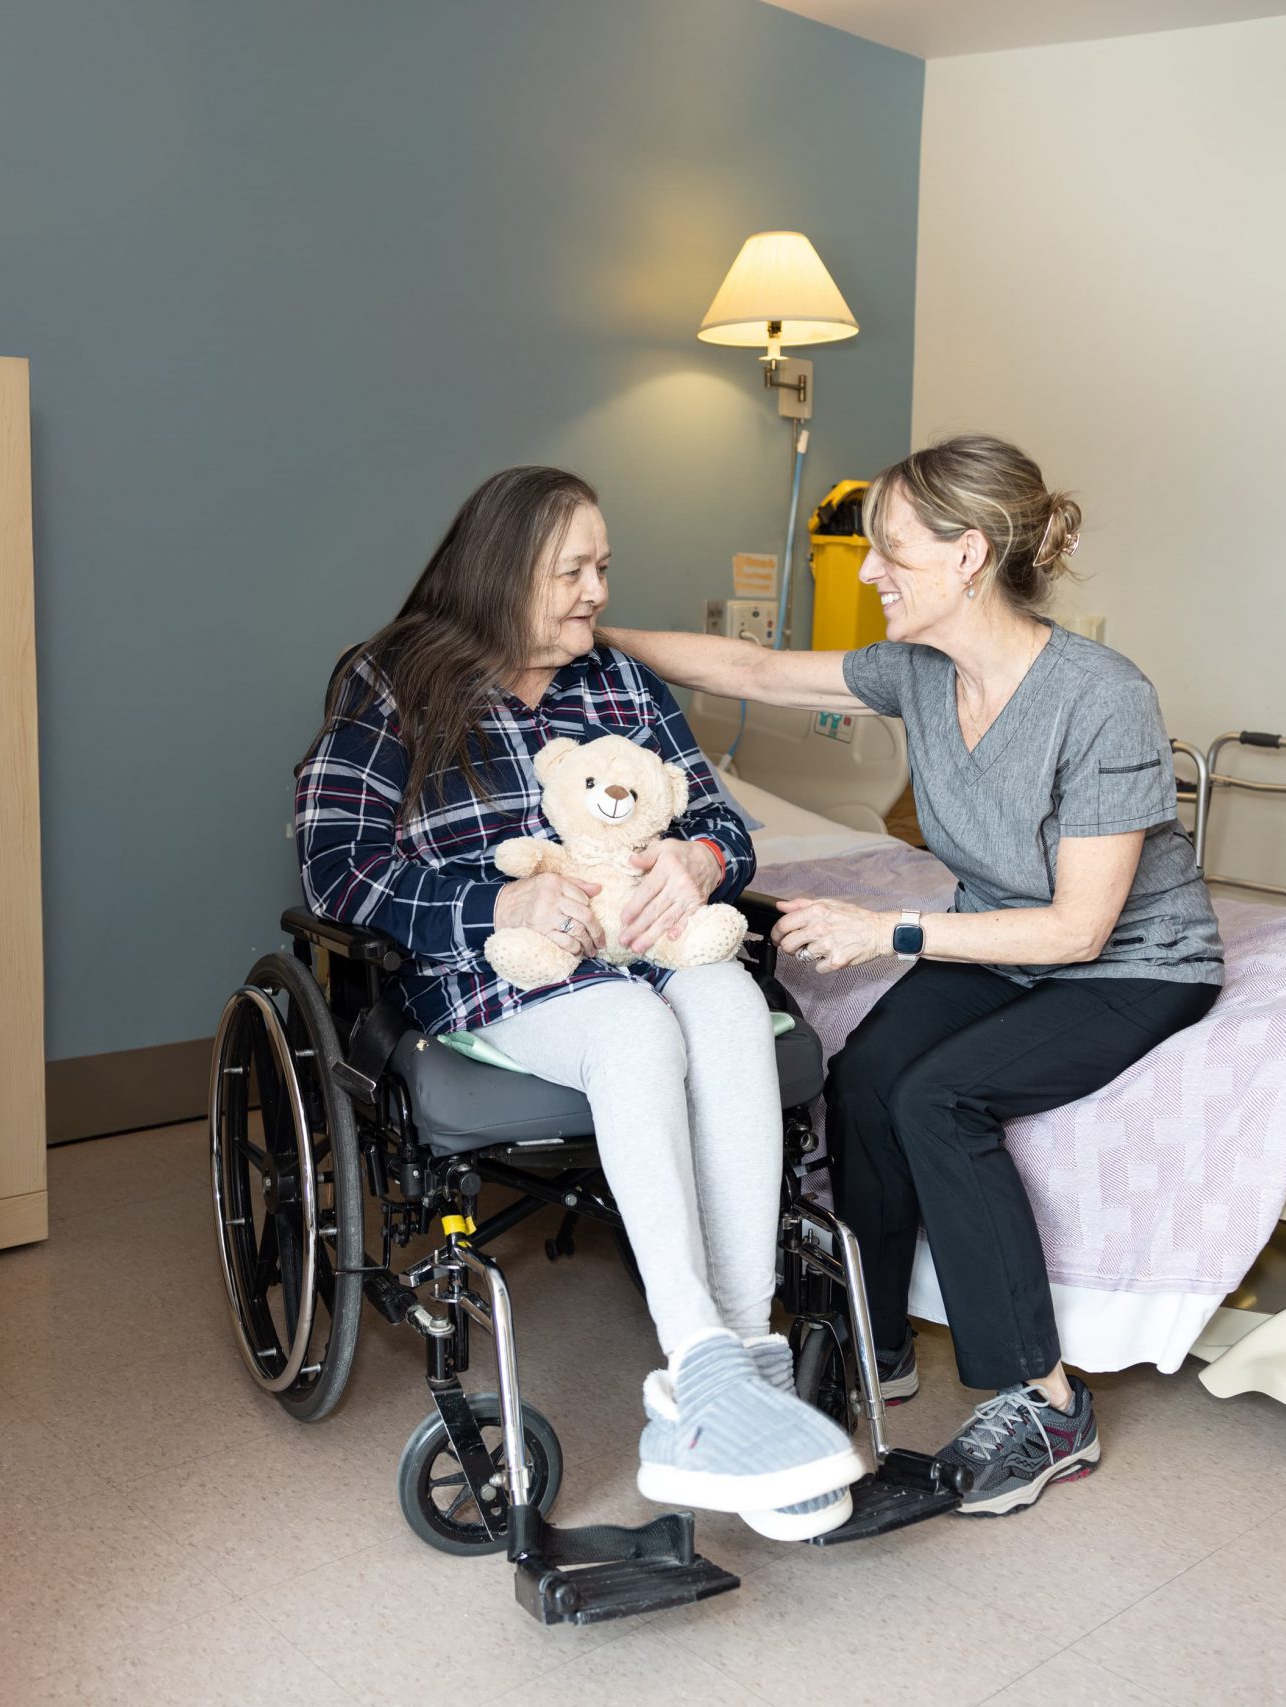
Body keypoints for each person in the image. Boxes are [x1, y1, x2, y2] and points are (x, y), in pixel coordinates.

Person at [598, 434, 1222, 1518]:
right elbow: (746, 668)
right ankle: (868, 1340)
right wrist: (572, 630)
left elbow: (1078, 930)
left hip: (1129, 964)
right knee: (867, 1074)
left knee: (941, 1095)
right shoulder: (919, 673)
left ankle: (1047, 1407)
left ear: (968, 554)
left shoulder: (1100, 697)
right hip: (995, 938)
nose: (870, 570)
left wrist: (888, 933)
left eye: (890, 549)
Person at [294, 465, 860, 1539]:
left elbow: (727, 827)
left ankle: (731, 1372)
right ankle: (704, 1362)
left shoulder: (620, 687)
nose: (598, 591)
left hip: (650, 944)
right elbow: (338, 870)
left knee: (732, 1007)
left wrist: (697, 862)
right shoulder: (393, 681)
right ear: (502, 573)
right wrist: (501, 896)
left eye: (604, 565)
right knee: (637, 1028)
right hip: (507, 971)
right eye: (574, 570)